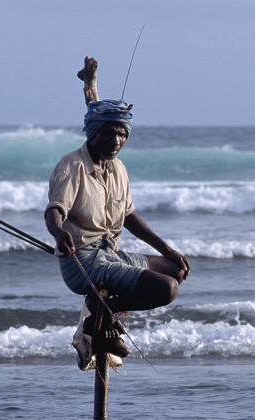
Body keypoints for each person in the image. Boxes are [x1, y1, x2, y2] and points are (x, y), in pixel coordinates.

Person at [45, 57, 189, 370]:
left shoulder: (118, 168)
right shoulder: (72, 166)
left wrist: (167, 249)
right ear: (93, 133)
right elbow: (54, 211)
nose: (116, 141)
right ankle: (103, 315)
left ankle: (103, 310)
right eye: (108, 134)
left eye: (122, 135)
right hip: (83, 261)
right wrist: (59, 232)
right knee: (167, 289)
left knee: (175, 270)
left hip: (110, 254)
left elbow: (129, 217)